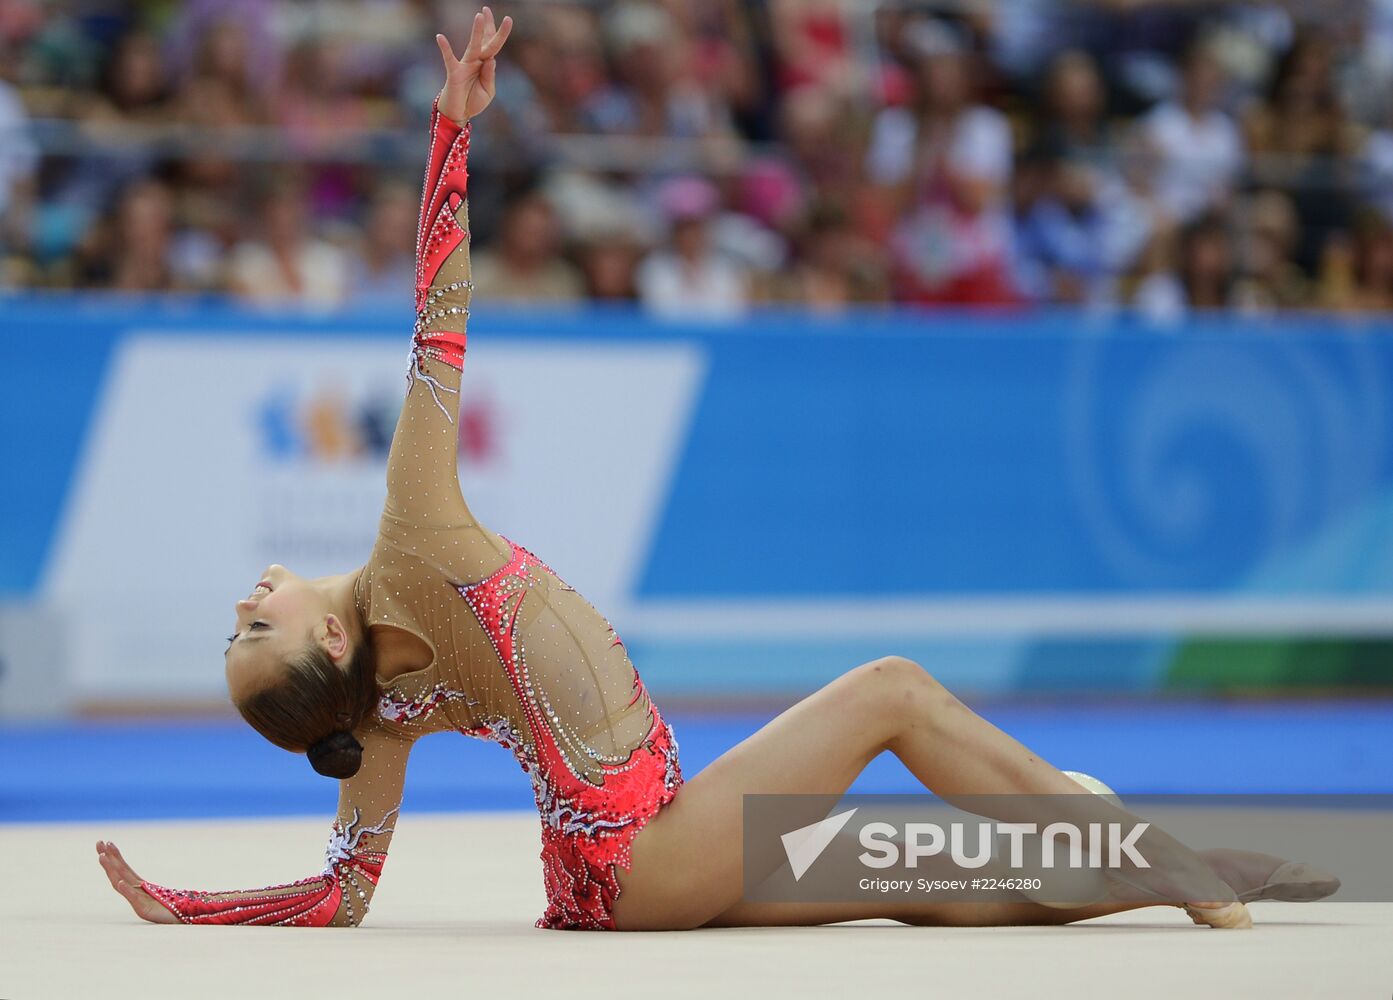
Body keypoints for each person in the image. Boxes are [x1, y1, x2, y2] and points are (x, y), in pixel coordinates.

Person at [96, 8, 1332, 934]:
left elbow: (339, 898)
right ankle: (1156, 851)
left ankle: (1192, 868)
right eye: (256, 622)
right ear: (322, 640)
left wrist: (184, 904)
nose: (253, 590)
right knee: (892, 690)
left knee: (948, 877)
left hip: (631, 868)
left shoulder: (376, 714)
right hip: (645, 856)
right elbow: (437, 316)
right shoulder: (410, 541)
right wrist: (449, 137)